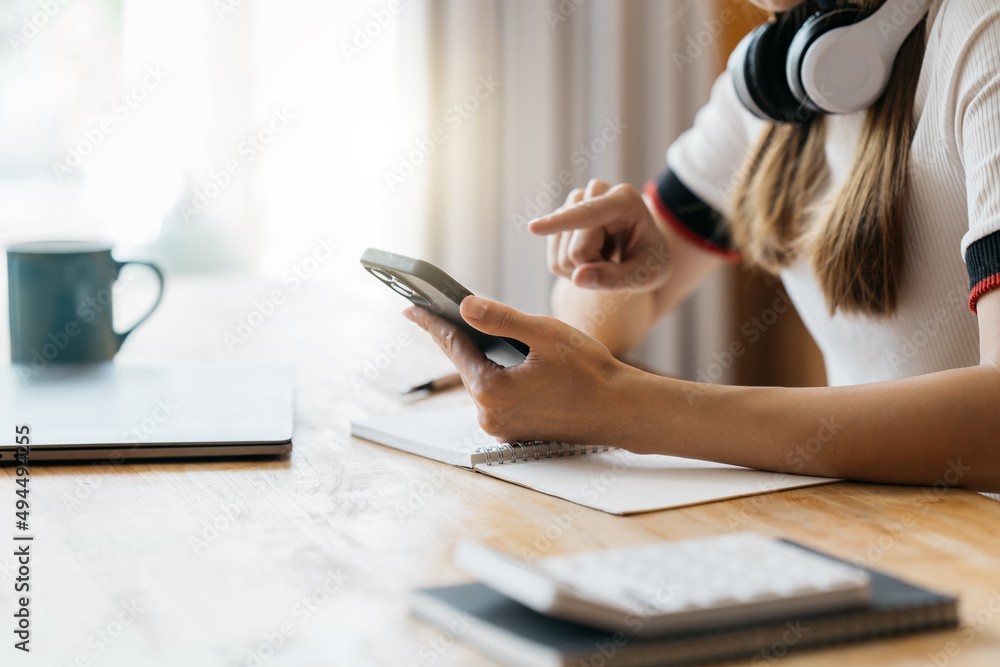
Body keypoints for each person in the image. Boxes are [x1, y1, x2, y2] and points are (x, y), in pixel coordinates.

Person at [404, 0, 1000, 492]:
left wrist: (632, 410)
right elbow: (601, 329)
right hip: (882, 514)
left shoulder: (982, 32)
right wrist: (621, 274)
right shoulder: (772, 77)